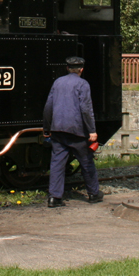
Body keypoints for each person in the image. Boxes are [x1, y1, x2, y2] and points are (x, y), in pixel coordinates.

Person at [42, 56, 103, 207]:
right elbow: (86, 109)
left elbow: (48, 107)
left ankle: (54, 198)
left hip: (58, 129)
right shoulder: (83, 84)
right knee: (86, 162)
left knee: (57, 163)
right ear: (81, 69)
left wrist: (47, 128)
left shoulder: (58, 82)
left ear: (67, 68)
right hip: (77, 131)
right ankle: (93, 193)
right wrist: (92, 130)